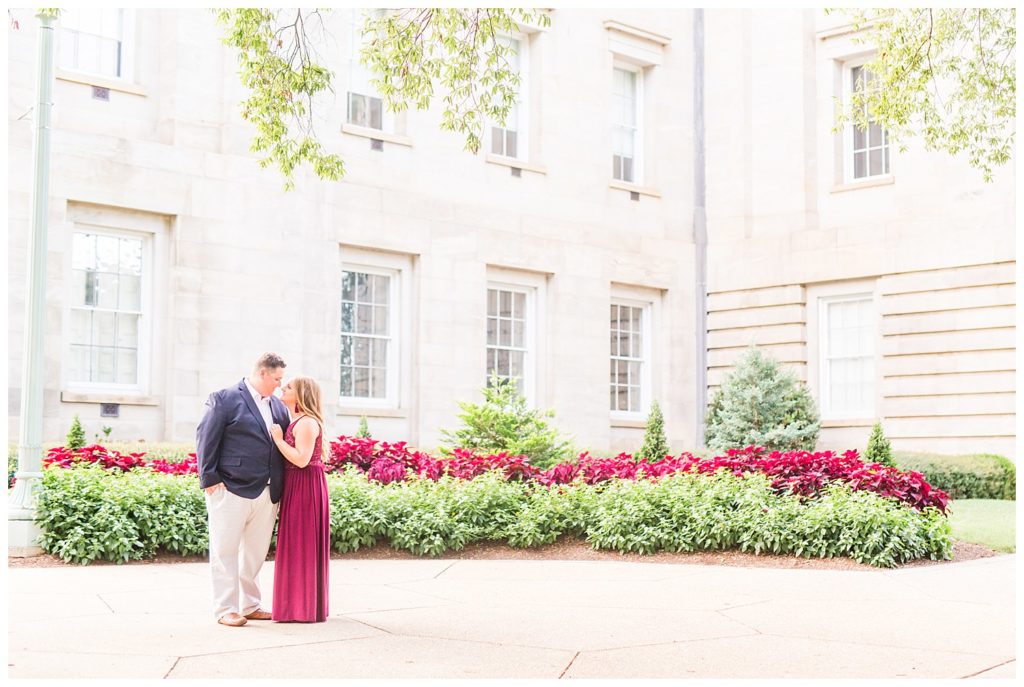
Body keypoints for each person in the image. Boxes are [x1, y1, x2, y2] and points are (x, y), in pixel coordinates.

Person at [196, 352, 289, 627]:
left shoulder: (278, 406)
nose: (279, 385)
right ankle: (225, 609)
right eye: (276, 378)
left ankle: (251, 604)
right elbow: (205, 439)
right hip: (229, 488)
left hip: (268, 491)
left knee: (255, 552)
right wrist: (210, 479)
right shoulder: (223, 399)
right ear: (262, 373)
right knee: (225, 550)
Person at [269, 376, 331, 622]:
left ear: (302, 395)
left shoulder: (305, 423)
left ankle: (300, 608)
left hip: (305, 486)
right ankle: (297, 606)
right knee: (297, 544)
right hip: (299, 485)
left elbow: (302, 459)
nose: (282, 387)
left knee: (301, 544)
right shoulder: (297, 420)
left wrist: (278, 440)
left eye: (289, 386)